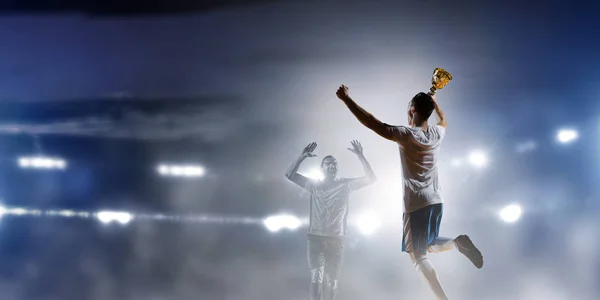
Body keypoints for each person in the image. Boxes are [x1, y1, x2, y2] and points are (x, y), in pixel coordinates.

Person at [335, 85, 483, 300]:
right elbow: (443, 119)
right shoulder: (437, 133)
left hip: (416, 203)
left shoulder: (405, 134)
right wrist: (434, 100)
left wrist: (346, 100)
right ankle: (457, 242)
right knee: (430, 244)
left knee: (417, 256)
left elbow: (371, 122)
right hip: (436, 200)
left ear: (412, 110)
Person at [285, 140, 376, 300]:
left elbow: (371, 178)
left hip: (336, 239)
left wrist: (361, 156)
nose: (332, 166)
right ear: (322, 168)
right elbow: (289, 175)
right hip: (316, 238)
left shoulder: (345, 184)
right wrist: (302, 156)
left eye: (334, 164)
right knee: (316, 277)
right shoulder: (313, 185)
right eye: (328, 164)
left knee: (332, 282)